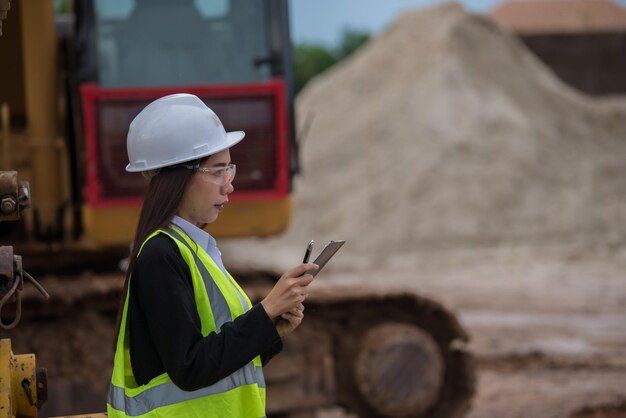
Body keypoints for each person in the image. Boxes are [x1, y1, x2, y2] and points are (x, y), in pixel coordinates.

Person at [107, 93, 317, 418]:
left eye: (229, 170)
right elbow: (190, 369)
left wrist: (270, 330)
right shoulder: (161, 255)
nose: (228, 185)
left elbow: (218, 361)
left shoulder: (196, 251)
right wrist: (266, 310)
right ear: (179, 178)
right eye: (218, 171)